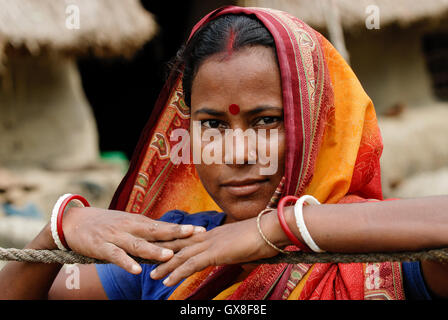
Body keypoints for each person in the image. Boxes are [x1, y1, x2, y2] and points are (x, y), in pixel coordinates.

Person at [1, 6, 448, 300]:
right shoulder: (173, 253)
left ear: (317, 125)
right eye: (213, 124)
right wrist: (61, 227)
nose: (236, 152)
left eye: (266, 121)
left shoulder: (384, 254)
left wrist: (279, 227)